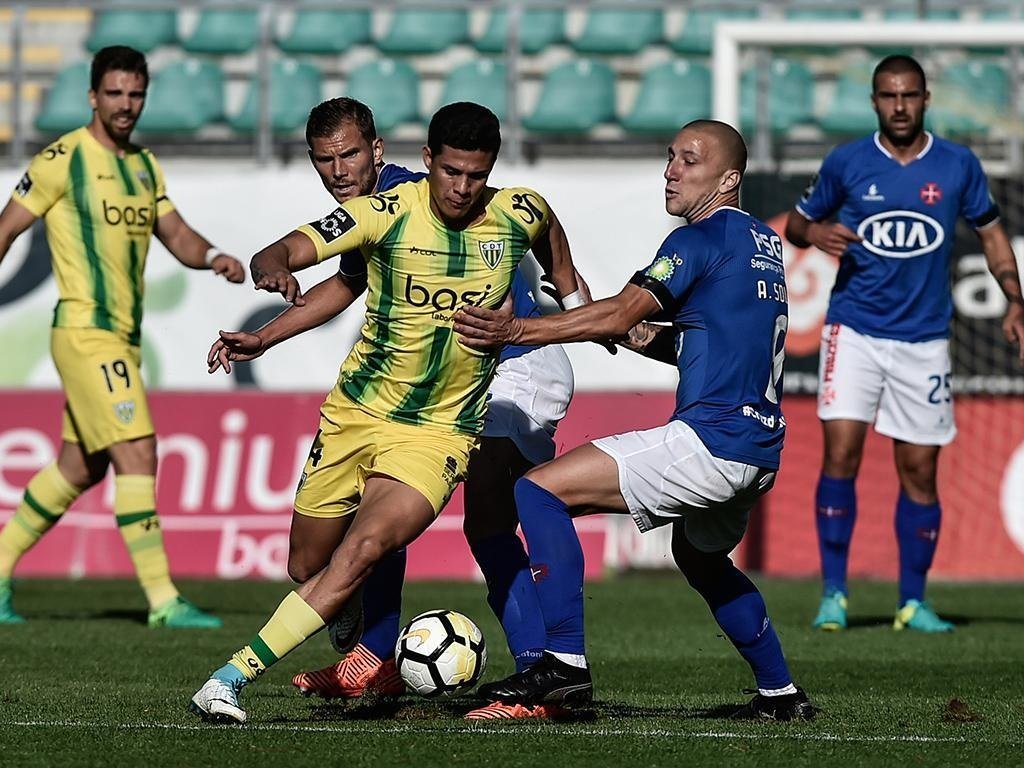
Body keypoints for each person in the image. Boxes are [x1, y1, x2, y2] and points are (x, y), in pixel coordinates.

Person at [189, 101, 581, 724]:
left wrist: (582, 308)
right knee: (309, 562)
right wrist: (266, 326)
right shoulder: (380, 213)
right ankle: (373, 645)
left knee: (452, 527)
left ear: (378, 150)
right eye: (326, 160)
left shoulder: (431, 193)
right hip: (375, 405)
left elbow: (536, 222)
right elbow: (344, 281)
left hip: (510, 367)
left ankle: (541, 673)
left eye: (350, 155)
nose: (339, 171)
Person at [455, 120, 814, 721]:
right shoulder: (762, 245)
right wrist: (622, 329)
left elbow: (623, 310)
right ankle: (780, 694)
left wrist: (517, 328)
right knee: (700, 558)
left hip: (711, 440)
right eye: (670, 157)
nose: (672, 170)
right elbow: (687, 341)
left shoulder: (696, 239)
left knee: (537, 493)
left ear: (729, 178)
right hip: (758, 446)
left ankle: (563, 666)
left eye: (690, 161)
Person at [0, 45, 244, 628]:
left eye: (135, 94)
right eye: (114, 93)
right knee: (138, 448)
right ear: (92, 96)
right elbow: (6, 230)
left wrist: (212, 256)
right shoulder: (62, 158)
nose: (126, 105)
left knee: (80, 468)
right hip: (86, 332)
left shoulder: (143, 165)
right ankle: (162, 601)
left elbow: (177, 234)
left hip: (121, 338)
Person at [784, 55, 1024, 633]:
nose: (899, 106)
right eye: (889, 96)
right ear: (873, 101)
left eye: (909, 95)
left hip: (923, 340)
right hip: (854, 330)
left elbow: (992, 236)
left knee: (919, 469)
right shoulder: (847, 162)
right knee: (841, 454)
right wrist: (815, 231)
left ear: (925, 98)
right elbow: (795, 225)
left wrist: (1015, 298)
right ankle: (834, 596)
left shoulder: (958, 165)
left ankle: (912, 601)